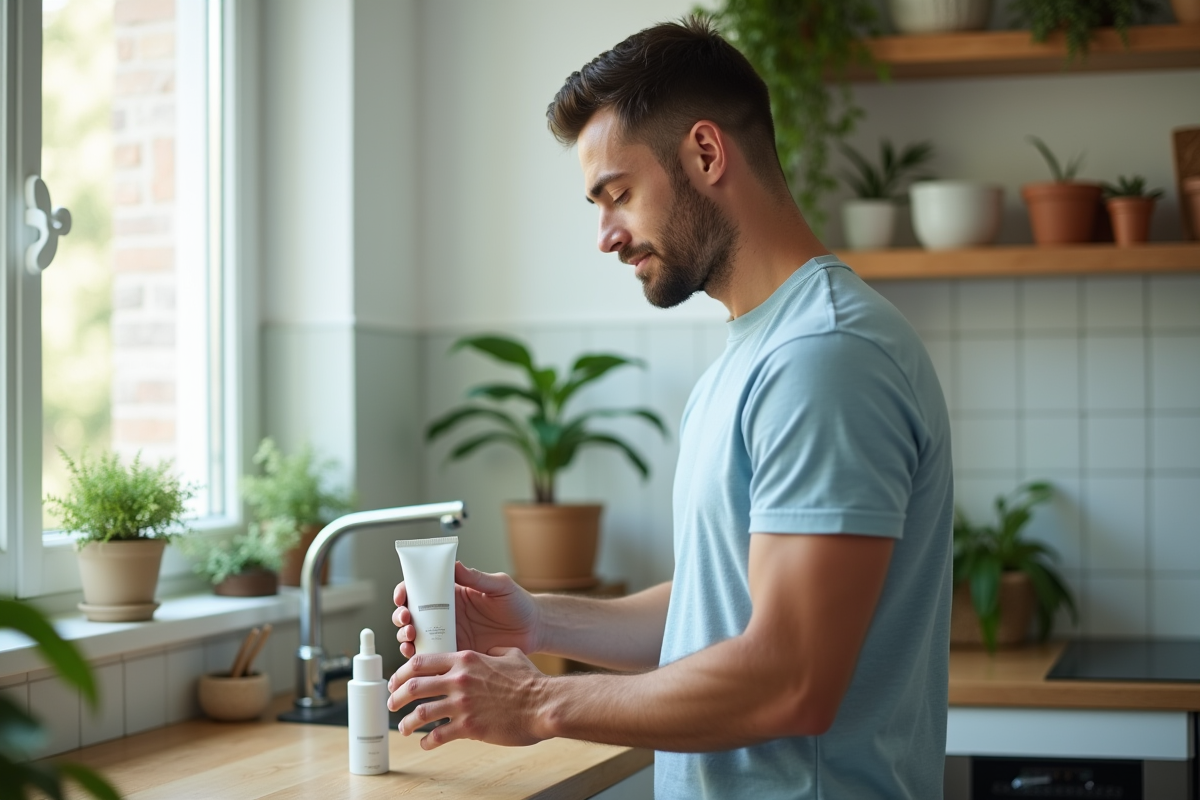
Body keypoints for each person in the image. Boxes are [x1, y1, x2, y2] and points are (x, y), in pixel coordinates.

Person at [387, 16, 953, 799]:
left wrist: (539, 700)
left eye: (616, 194)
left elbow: (791, 681)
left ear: (706, 153)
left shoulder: (824, 357)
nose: (605, 237)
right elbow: (712, 618)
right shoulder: (752, 356)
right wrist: (537, 622)